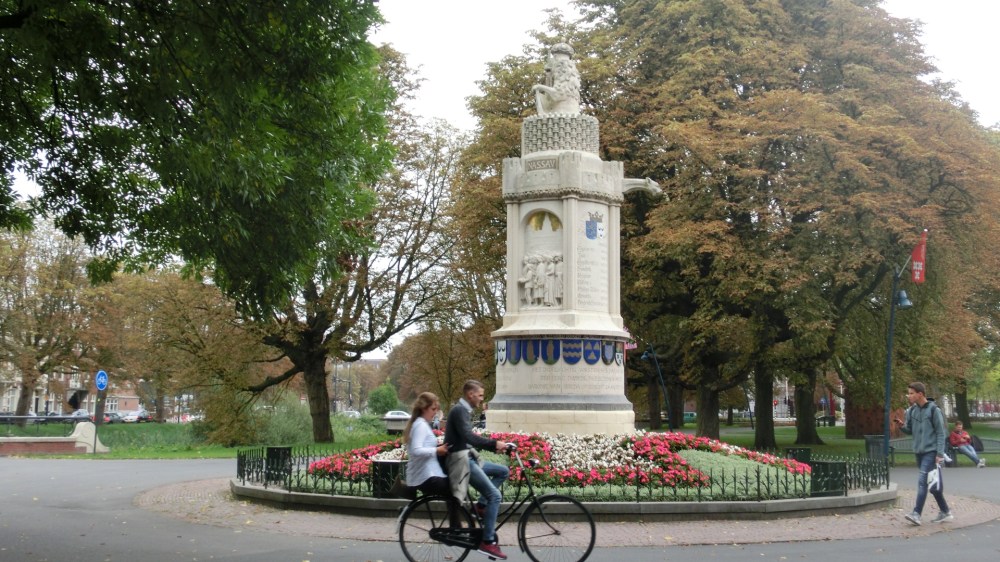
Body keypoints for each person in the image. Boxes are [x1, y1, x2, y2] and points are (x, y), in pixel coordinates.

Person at [445, 380, 511, 560]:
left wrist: (495, 445)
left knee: (503, 471)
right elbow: (468, 437)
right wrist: (493, 443)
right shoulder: (459, 410)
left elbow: (467, 438)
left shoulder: (464, 410)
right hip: (461, 461)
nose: (482, 399)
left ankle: (481, 507)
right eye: (480, 395)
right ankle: (488, 541)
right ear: (470, 395)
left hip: (467, 456)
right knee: (495, 496)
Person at [894, 382, 953, 525]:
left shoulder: (934, 410)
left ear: (920, 394)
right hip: (919, 452)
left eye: (912, 393)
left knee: (922, 482)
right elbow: (910, 430)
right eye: (909, 393)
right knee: (932, 485)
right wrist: (902, 426)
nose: (909, 396)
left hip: (931, 452)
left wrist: (939, 453)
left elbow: (941, 433)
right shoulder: (911, 411)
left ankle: (916, 514)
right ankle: (945, 511)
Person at [403, 392, 450, 497]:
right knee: (456, 487)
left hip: (425, 474)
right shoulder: (420, 425)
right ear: (424, 408)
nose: (435, 412)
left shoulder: (420, 423)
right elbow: (416, 450)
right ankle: (456, 513)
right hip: (426, 476)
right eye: (433, 409)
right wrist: (437, 450)